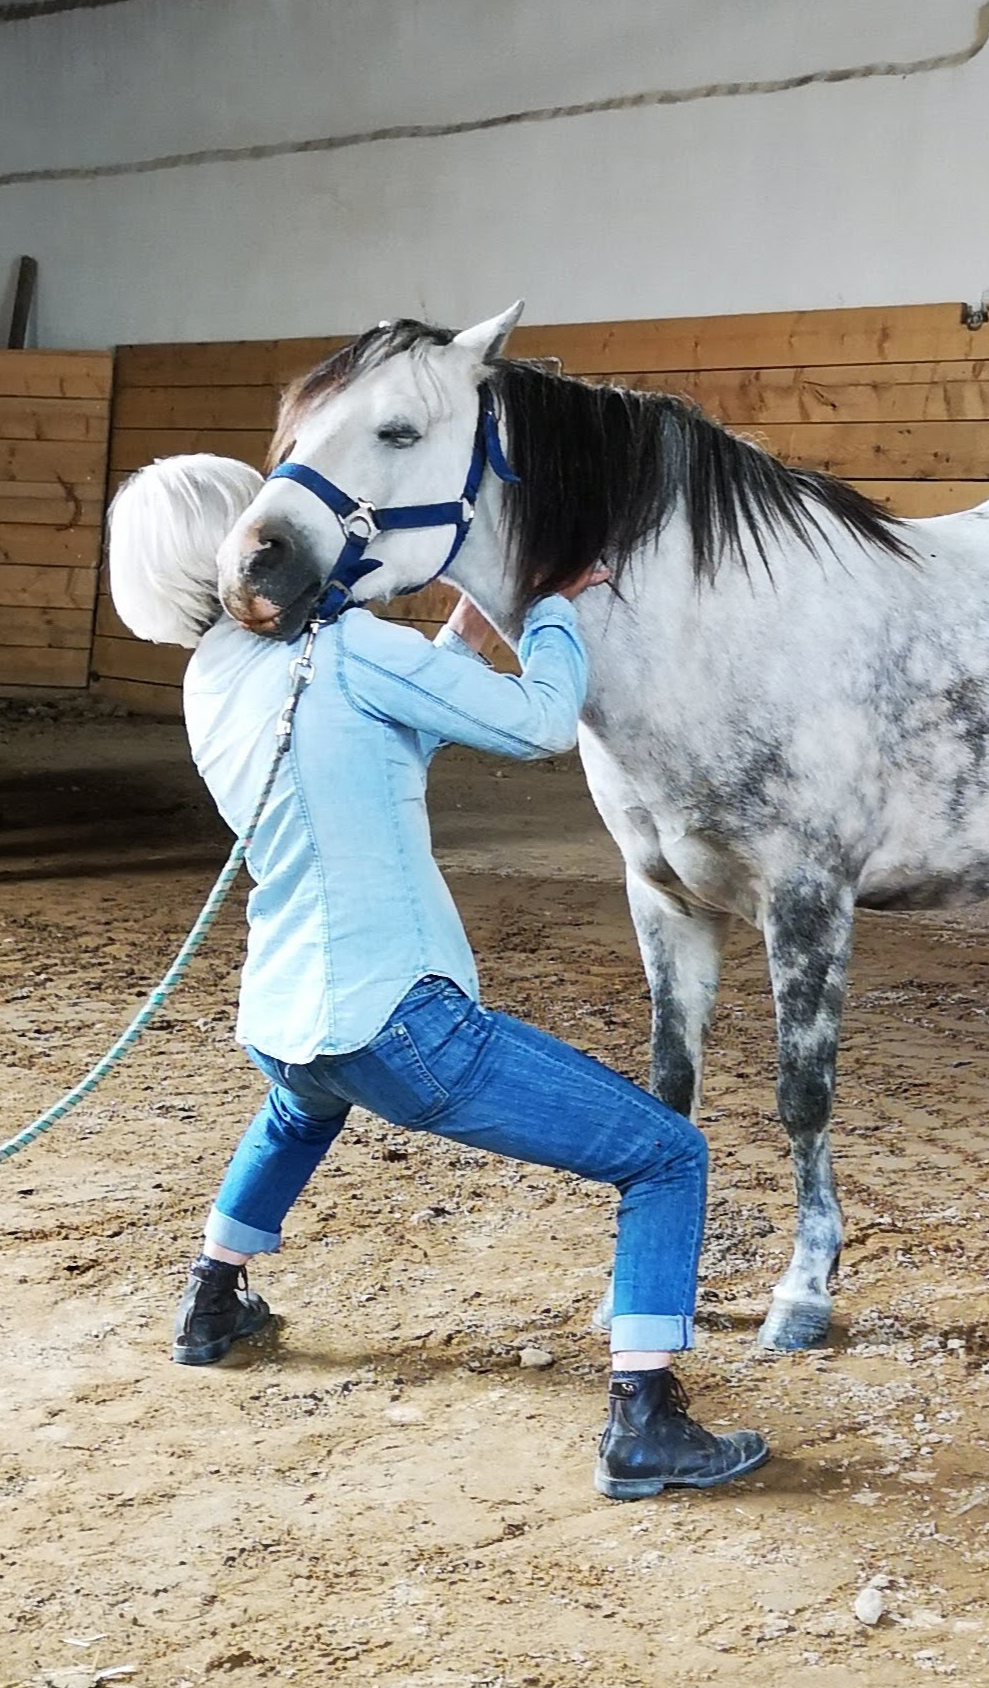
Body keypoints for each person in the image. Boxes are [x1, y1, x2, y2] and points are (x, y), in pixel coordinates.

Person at [107, 457, 767, 1501]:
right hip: (396, 1019)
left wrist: (471, 617)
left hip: (287, 1013)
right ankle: (644, 1415)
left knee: (297, 1108)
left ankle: (212, 1299)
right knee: (666, 1154)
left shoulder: (212, 678)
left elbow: (385, 735)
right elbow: (543, 720)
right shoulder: (347, 650)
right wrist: (546, 602)